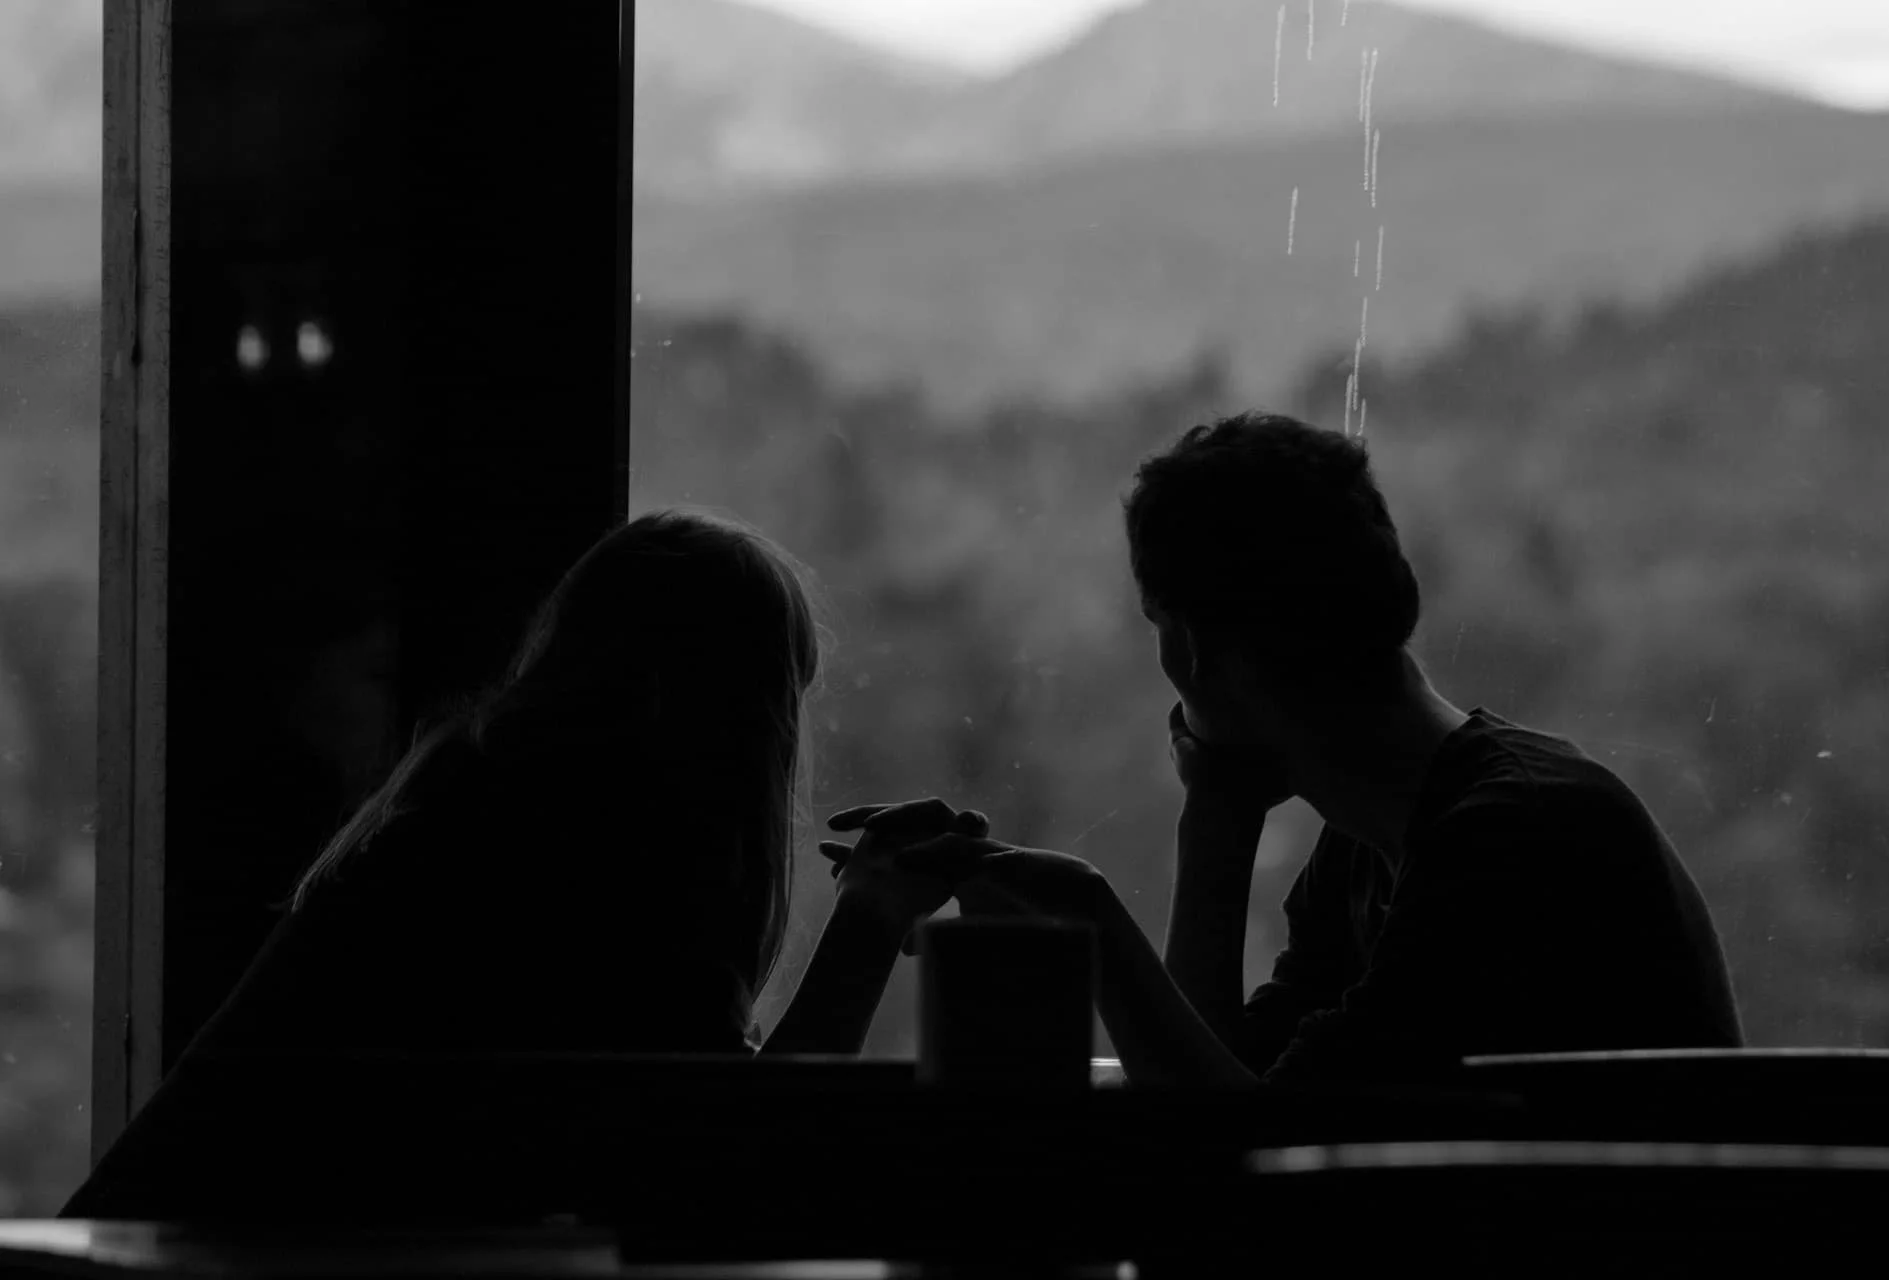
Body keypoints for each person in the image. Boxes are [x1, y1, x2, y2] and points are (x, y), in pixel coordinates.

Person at [67, 509, 969, 1216]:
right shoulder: (585, 844)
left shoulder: (485, 799)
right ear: (727, 718)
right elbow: (737, 1160)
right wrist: (869, 921)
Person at [837, 413, 1743, 1087]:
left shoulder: (1505, 841)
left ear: (1188, 648)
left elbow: (1251, 1162)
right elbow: (1237, 1081)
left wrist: (1092, 922)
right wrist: (1216, 824)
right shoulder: (1402, 832)